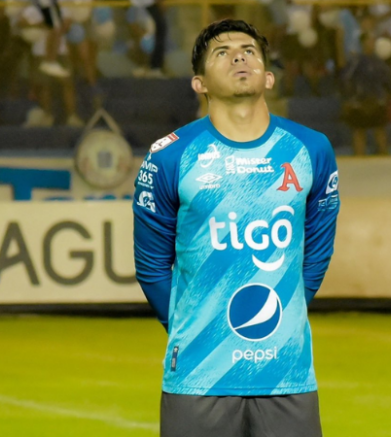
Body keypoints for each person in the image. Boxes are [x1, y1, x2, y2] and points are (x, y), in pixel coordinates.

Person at [132, 19, 339, 437]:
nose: (239, 58)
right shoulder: (169, 156)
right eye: (222, 53)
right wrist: (194, 327)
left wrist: (284, 315)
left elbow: (317, 253)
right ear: (199, 83)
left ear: (268, 76)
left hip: (286, 372)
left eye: (249, 51)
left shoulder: (311, 149)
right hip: (198, 373)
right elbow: (151, 266)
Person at [339, 31, 391, 155]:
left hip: (377, 101)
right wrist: (350, 98)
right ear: (363, 42)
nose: (372, 43)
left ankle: (384, 155)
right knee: (359, 131)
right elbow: (346, 79)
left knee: (380, 130)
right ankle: (359, 157)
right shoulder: (356, 61)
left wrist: (385, 96)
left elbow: (387, 81)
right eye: (370, 40)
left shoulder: (380, 62)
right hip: (359, 102)